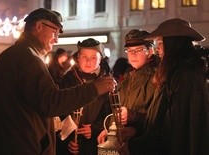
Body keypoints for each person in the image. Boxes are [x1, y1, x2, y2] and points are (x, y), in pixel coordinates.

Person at [0, 8, 116, 155]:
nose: (57, 39)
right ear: (39, 26)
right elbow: (50, 103)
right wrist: (94, 89)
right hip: (22, 146)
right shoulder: (27, 59)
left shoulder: (17, 54)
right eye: (55, 32)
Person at [128, 18, 209, 155]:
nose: (157, 48)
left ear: (172, 44)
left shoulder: (185, 76)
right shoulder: (173, 73)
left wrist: (134, 146)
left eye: (160, 42)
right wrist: (136, 132)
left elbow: (175, 129)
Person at [97, 29, 159, 146]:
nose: (133, 54)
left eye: (138, 50)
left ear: (150, 51)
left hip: (142, 145)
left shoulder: (157, 78)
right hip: (124, 145)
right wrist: (110, 130)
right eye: (129, 50)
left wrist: (133, 119)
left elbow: (160, 119)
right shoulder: (128, 77)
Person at [58, 38, 112, 155]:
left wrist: (96, 129)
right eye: (84, 57)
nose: (88, 61)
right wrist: (68, 139)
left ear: (100, 59)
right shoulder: (68, 81)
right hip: (71, 146)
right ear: (78, 58)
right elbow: (59, 113)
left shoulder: (108, 83)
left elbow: (111, 115)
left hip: (96, 146)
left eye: (93, 57)